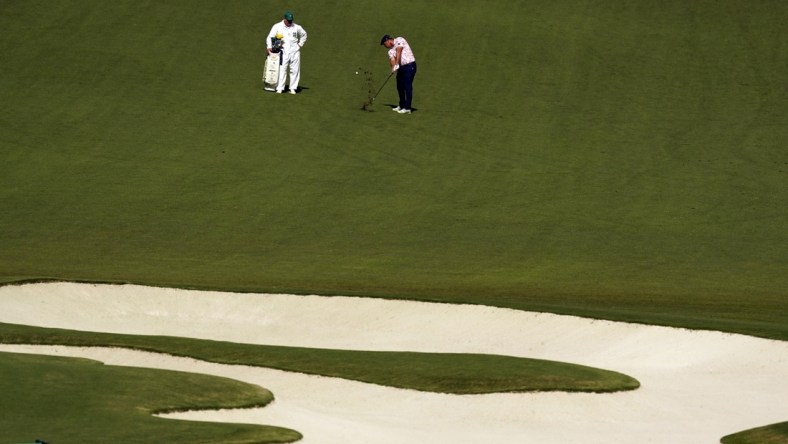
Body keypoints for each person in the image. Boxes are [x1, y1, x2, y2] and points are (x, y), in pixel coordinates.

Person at [266, 11, 307, 94]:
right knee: (282, 69)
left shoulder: (296, 27)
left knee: (295, 70)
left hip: (294, 51)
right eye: (288, 20)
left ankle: (293, 88)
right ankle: (280, 88)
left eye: (291, 20)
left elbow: (304, 34)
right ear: (284, 19)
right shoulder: (277, 26)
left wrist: (300, 44)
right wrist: (269, 46)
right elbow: (270, 37)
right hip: (283, 51)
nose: (290, 22)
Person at [380, 34, 417, 113]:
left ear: (388, 41)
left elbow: (399, 51)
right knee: (400, 86)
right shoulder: (390, 51)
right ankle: (402, 105)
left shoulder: (399, 40)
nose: (384, 46)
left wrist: (397, 64)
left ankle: (407, 108)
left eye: (384, 44)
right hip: (401, 68)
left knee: (407, 86)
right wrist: (393, 68)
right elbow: (392, 60)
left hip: (410, 66)